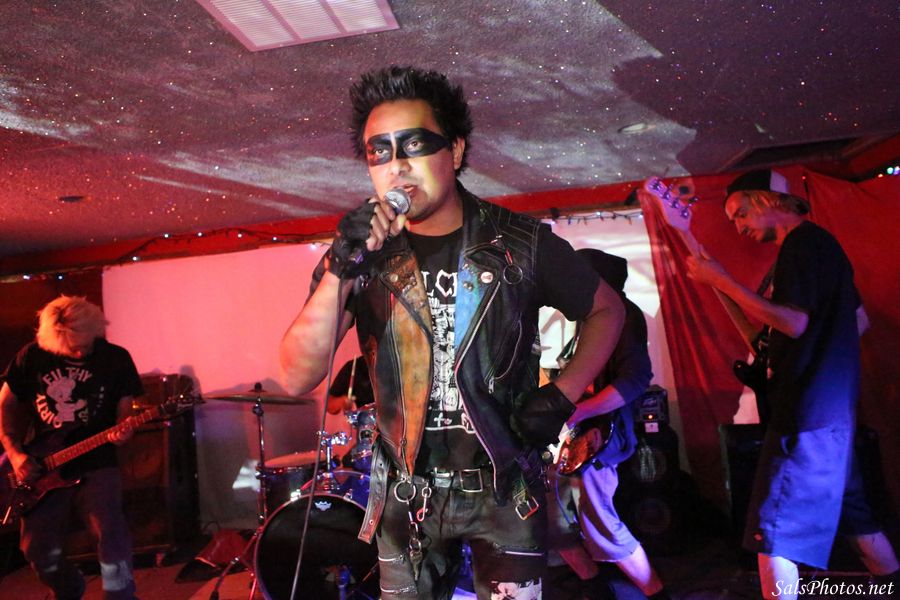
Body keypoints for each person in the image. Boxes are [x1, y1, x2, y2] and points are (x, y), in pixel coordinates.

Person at [280, 65, 625, 599]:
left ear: (456, 151)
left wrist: (562, 396)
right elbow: (296, 376)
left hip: (504, 488)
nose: (397, 166)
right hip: (405, 496)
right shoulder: (358, 258)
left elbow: (608, 312)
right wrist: (340, 269)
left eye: (415, 145)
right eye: (379, 152)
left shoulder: (520, 243)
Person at [685, 170, 899, 599]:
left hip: (805, 417)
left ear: (768, 200)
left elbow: (795, 323)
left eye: (741, 212)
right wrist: (721, 288)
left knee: (773, 536)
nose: (739, 226)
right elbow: (857, 321)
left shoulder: (800, 245)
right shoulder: (822, 247)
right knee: (857, 521)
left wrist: (723, 280)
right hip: (832, 419)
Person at [0, 295, 143, 600]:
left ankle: (121, 596)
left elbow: (125, 412)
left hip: (98, 460)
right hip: (44, 465)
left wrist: (124, 430)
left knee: (111, 534)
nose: (80, 352)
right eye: (72, 347)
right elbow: (6, 405)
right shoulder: (32, 356)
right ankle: (68, 588)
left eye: (86, 343)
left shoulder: (115, 358)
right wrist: (14, 453)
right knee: (37, 549)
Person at [549, 249, 669, 600]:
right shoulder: (588, 317)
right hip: (577, 435)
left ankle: (656, 593)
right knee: (551, 520)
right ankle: (595, 588)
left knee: (599, 523)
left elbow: (635, 379)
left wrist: (580, 412)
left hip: (601, 437)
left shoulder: (623, 315)